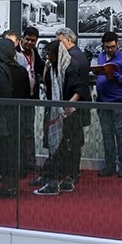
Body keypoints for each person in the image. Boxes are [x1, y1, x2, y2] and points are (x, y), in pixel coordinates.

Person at [33, 40, 88, 196]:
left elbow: (81, 88)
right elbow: (46, 82)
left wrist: (68, 104)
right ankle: (62, 180)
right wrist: (47, 65)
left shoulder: (68, 69)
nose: (47, 57)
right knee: (57, 148)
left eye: (50, 54)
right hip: (56, 113)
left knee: (63, 149)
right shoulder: (54, 68)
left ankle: (55, 182)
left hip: (66, 116)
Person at [0, 38, 30, 197]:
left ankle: (6, 186)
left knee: (2, 150)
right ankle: (12, 185)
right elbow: (26, 95)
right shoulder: (21, 70)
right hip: (17, 115)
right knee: (13, 150)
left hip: (0, 115)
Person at [94, 31, 122, 178]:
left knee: (120, 133)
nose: (109, 50)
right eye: (107, 47)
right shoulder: (100, 56)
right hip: (102, 100)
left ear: (117, 44)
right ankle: (109, 165)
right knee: (106, 134)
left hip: (118, 100)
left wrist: (116, 76)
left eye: (112, 47)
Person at [16, 26, 45, 174]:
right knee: (17, 133)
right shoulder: (14, 51)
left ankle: (30, 162)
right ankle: (19, 164)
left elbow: (40, 68)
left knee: (29, 132)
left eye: (33, 41)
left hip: (31, 98)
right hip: (16, 100)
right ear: (22, 38)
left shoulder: (34, 52)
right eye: (27, 39)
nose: (30, 43)